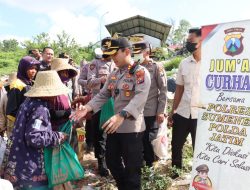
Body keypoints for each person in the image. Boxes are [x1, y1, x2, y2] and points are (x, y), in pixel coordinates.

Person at [71, 37, 151, 190]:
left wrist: (122, 115)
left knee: (132, 168)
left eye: (115, 55)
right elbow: (102, 95)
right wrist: (87, 107)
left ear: (127, 51)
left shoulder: (140, 72)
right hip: (114, 127)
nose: (112, 58)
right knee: (112, 162)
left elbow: (140, 97)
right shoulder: (114, 73)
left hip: (131, 128)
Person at [3, 70, 69, 189]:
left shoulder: (28, 102)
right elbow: (35, 138)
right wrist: (58, 136)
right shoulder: (40, 109)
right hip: (30, 168)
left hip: (18, 162)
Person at [168, 28, 202, 178]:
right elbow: (179, 89)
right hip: (182, 112)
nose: (188, 44)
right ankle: (176, 173)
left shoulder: (212, 64)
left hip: (201, 115)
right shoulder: (184, 63)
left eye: (191, 41)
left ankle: (200, 178)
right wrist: (172, 111)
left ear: (201, 41)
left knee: (199, 149)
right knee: (176, 145)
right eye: (187, 41)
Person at [132, 41, 167, 167]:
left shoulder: (156, 67)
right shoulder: (134, 68)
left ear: (146, 52)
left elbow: (163, 90)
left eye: (137, 52)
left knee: (149, 140)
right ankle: (141, 165)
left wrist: (161, 111)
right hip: (136, 111)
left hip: (151, 111)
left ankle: (150, 165)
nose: (135, 55)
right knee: (137, 139)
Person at [86, 45, 116, 176]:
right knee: (100, 134)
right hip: (98, 103)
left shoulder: (116, 63)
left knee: (113, 132)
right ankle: (101, 162)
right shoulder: (95, 63)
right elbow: (89, 82)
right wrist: (102, 79)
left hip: (114, 102)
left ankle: (112, 159)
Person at [6, 56, 40, 137]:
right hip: (19, 125)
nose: (34, 71)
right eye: (31, 68)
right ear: (23, 68)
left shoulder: (31, 83)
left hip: (28, 123)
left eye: (35, 69)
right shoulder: (17, 85)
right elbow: (11, 111)